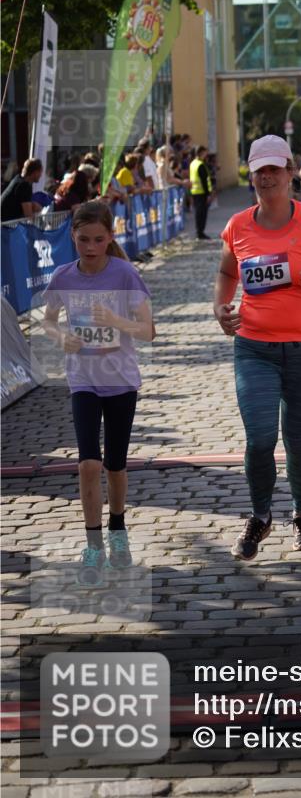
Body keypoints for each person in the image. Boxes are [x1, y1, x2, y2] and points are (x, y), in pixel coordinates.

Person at [214, 135, 301, 561]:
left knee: (297, 439)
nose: (267, 177)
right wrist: (220, 308)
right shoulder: (238, 226)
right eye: (260, 170)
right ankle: (260, 515)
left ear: (291, 172)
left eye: (275, 169)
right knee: (259, 438)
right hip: (254, 347)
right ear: (251, 175)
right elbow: (225, 273)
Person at [42, 200, 155, 586]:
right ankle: (93, 544)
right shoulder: (62, 277)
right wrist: (62, 338)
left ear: (110, 238)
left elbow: (148, 330)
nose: (90, 248)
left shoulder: (125, 274)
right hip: (83, 379)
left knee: (116, 466)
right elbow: (48, 321)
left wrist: (116, 321)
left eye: (98, 240)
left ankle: (118, 531)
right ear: (72, 236)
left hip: (121, 380)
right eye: (83, 239)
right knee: (88, 463)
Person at [189, 145, 213, 240]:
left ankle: (199, 232)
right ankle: (200, 232)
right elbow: (204, 180)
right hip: (202, 193)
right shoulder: (200, 164)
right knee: (202, 214)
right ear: (201, 153)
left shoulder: (193, 163)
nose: (206, 154)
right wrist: (208, 194)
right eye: (205, 152)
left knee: (198, 213)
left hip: (195, 192)